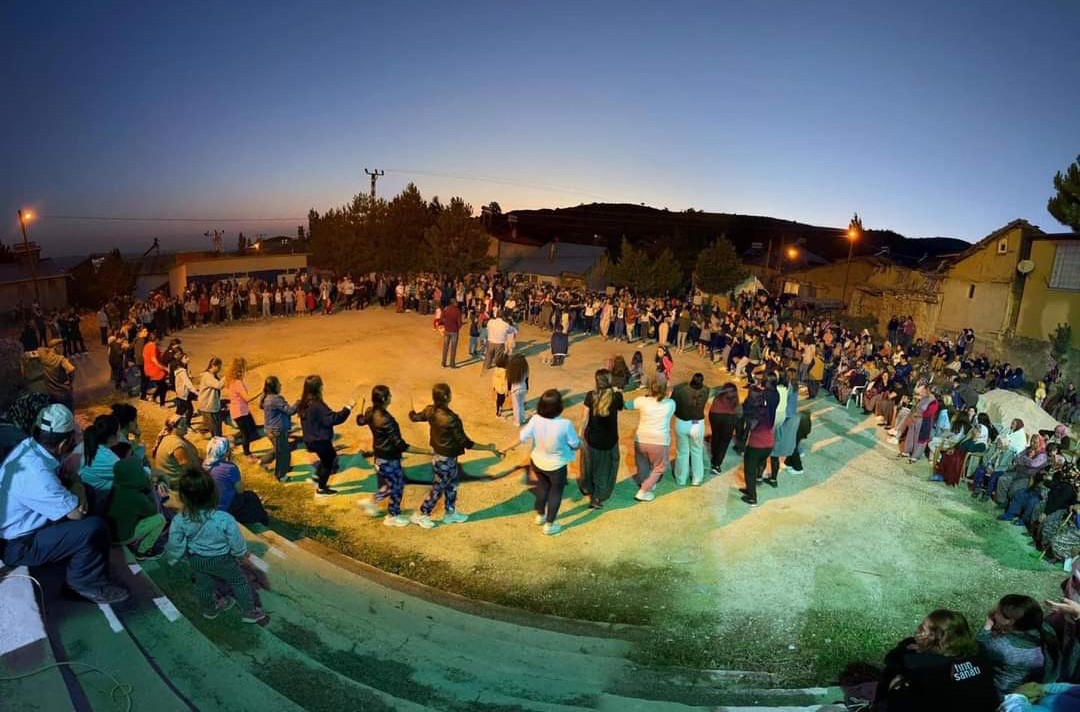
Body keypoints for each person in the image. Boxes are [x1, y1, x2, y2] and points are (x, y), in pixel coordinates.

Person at [0, 404, 129, 604]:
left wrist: (77, 486)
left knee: (90, 495)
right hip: (19, 545)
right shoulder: (37, 472)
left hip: (26, 529)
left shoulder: (32, 447)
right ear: (63, 444)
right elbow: (76, 513)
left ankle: (81, 557)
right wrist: (78, 489)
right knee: (94, 528)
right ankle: (84, 584)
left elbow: (69, 475)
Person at [164, 468, 267, 624]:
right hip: (223, 560)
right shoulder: (224, 518)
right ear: (214, 494)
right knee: (239, 582)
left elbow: (175, 543)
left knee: (203, 586)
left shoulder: (179, 519)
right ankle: (249, 611)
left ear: (183, 496)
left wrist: (173, 558)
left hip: (197, 560)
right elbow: (236, 541)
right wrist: (241, 555)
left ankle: (210, 610)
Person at [408, 383, 501, 529]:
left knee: (452, 485)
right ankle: (421, 514)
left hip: (440, 456)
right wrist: (488, 447)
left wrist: (411, 413)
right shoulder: (452, 419)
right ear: (447, 397)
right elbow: (466, 443)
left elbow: (415, 417)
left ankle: (450, 513)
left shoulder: (429, 410)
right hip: (447, 459)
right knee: (439, 487)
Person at [876, 609, 1000, 711]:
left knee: (895, 681)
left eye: (922, 629)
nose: (918, 631)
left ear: (936, 638)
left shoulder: (917, 663)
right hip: (986, 706)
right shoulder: (978, 648)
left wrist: (909, 648)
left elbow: (890, 659)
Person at [356, 385, 433, 527]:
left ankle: (372, 502)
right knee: (397, 487)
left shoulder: (370, 412)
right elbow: (401, 445)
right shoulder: (387, 420)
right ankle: (392, 515)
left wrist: (359, 410)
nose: (391, 397)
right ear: (384, 399)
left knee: (391, 485)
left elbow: (360, 421)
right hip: (389, 458)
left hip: (379, 456)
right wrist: (427, 451)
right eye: (389, 395)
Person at [513, 389, 580, 535]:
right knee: (556, 492)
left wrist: (506, 448)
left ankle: (540, 515)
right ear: (558, 407)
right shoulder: (565, 424)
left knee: (543, 488)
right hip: (557, 465)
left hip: (537, 461)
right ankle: (549, 525)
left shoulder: (536, 419)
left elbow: (522, 436)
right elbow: (574, 443)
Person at [977, 595, 1058, 696]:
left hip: (1007, 693)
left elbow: (977, 648)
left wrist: (987, 626)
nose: (994, 613)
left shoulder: (1001, 646)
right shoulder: (1046, 630)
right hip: (1036, 688)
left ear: (1010, 621)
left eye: (998, 612)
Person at [107, 443, 167, 561]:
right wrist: (150, 487)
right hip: (123, 536)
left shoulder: (115, 486)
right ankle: (142, 551)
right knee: (160, 519)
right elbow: (152, 512)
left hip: (110, 532)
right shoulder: (136, 497)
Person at [297, 375, 354, 497]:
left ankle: (317, 477)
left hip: (310, 439)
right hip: (320, 441)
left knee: (327, 458)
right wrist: (348, 408)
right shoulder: (317, 405)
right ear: (318, 387)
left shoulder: (303, 402)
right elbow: (333, 418)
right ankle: (321, 489)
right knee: (329, 461)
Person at [580, 369, 624, 509]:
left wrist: (580, 436)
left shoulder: (590, 396)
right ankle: (597, 497)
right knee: (605, 469)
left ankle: (587, 487)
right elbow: (621, 407)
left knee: (588, 464)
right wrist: (617, 391)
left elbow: (584, 419)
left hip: (591, 438)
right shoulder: (616, 397)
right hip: (609, 440)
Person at [626, 379, 676, 502]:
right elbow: (667, 402)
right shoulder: (670, 404)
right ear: (665, 391)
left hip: (641, 439)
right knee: (660, 467)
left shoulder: (642, 401)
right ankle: (644, 490)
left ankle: (646, 482)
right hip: (659, 441)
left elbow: (626, 405)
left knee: (642, 463)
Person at [202, 436, 269, 526]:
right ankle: (262, 520)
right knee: (251, 496)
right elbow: (240, 491)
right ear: (225, 452)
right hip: (225, 505)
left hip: (210, 503)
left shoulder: (204, 465)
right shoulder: (230, 467)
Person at [671, 373, 709, 486]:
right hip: (697, 423)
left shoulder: (680, 390)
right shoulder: (706, 390)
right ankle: (697, 479)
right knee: (697, 451)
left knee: (682, 452)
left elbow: (673, 403)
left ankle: (681, 479)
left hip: (682, 423)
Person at [78, 413, 122, 511]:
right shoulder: (109, 460)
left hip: (89, 495)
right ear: (111, 437)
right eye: (119, 431)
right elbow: (134, 476)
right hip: (98, 506)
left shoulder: (86, 444)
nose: (120, 434)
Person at [259, 376, 297, 482]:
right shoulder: (276, 399)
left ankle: (264, 461)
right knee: (283, 453)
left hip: (270, 429)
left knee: (279, 449)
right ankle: (281, 475)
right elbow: (290, 411)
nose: (280, 385)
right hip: (277, 431)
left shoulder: (266, 397)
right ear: (274, 387)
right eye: (278, 384)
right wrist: (298, 404)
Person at [767, 368, 800, 486]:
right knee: (787, 441)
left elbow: (782, 404)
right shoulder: (794, 385)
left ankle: (796, 464)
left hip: (786, 416)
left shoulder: (787, 388)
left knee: (780, 443)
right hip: (791, 415)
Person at [225, 357, 261, 462]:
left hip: (239, 410)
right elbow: (247, 398)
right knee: (246, 434)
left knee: (249, 429)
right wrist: (260, 391)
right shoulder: (237, 383)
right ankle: (247, 454)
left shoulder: (231, 381)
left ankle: (232, 438)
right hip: (240, 412)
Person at [152, 414, 201, 487]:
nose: (186, 427)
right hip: (177, 483)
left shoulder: (170, 438)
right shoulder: (176, 445)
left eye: (185, 423)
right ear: (174, 428)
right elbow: (187, 467)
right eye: (182, 425)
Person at [708, 382, 740, 474]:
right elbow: (738, 412)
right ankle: (716, 464)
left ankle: (714, 456)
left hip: (715, 414)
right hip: (730, 418)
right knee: (724, 442)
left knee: (715, 436)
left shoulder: (719, 392)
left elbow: (709, 393)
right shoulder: (735, 398)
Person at [197, 356, 225, 437]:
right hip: (209, 406)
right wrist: (227, 376)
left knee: (213, 425)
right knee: (216, 428)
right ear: (214, 366)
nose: (220, 369)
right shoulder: (208, 376)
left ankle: (206, 432)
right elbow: (218, 385)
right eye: (219, 367)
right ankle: (218, 443)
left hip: (208, 405)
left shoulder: (211, 375)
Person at [142, 332, 169, 407]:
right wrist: (164, 368)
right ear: (156, 339)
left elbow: (145, 356)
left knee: (162, 385)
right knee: (164, 387)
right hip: (155, 370)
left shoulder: (146, 345)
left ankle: (153, 397)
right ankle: (162, 404)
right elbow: (154, 360)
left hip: (148, 368)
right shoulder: (153, 346)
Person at [506, 354, 530, 426]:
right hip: (523, 388)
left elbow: (509, 381)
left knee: (516, 406)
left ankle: (517, 421)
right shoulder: (525, 370)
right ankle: (522, 419)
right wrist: (527, 388)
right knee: (521, 404)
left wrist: (509, 390)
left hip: (515, 390)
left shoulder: (511, 371)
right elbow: (526, 380)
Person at [439, 298, 462, 368]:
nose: (457, 303)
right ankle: (452, 364)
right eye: (456, 302)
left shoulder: (446, 309)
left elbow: (441, 319)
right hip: (454, 331)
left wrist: (445, 324)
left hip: (447, 330)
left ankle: (443, 363)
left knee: (445, 347)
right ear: (454, 303)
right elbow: (459, 323)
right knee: (453, 348)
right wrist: (458, 328)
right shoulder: (457, 311)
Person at [491, 353, 509, 418]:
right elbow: (505, 382)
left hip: (497, 386)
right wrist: (507, 391)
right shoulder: (505, 371)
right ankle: (500, 408)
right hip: (502, 388)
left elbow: (494, 377)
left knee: (498, 398)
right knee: (502, 398)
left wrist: (493, 386)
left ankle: (498, 409)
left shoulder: (496, 369)